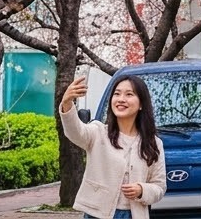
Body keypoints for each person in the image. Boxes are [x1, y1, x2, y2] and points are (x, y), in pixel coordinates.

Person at [59, 73, 167, 219]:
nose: (121, 99)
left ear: (141, 104)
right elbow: (75, 132)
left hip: (134, 214)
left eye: (129, 94)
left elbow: (159, 186)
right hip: (97, 214)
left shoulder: (153, 143)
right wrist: (67, 103)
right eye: (117, 94)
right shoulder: (98, 132)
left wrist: (142, 190)